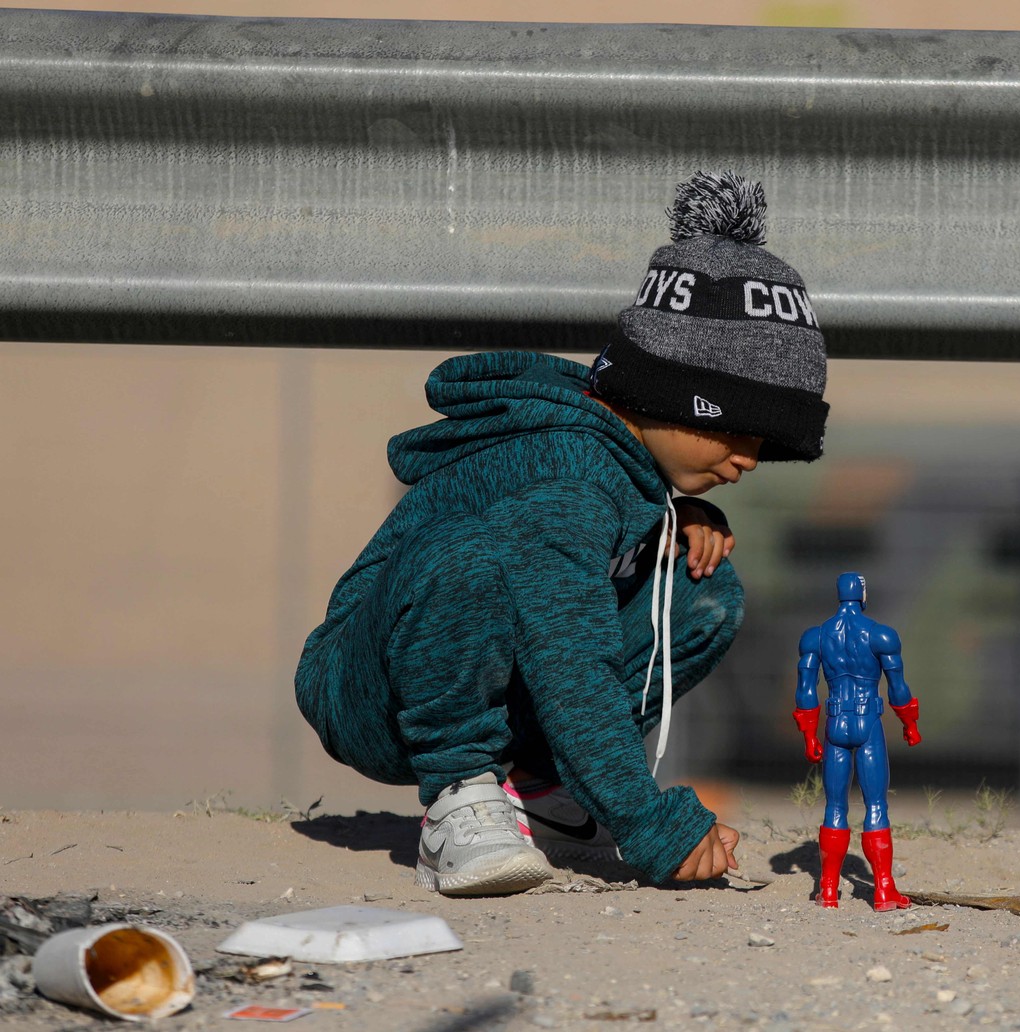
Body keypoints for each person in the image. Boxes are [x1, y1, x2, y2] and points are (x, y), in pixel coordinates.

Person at [294, 172, 829, 896]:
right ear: (671, 394)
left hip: (477, 663)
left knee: (702, 590)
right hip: (371, 691)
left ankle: (541, 789)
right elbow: (570, 662)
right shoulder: (569, 482)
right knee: (474, 557)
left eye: (765, 440)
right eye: (735, 426)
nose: (748, 458)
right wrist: (648, 820)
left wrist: (672, 515)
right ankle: (460, 794)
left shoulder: (616, 464)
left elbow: (583, 605)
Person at [793, 572, 922, 911]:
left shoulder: (816, 637)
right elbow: (899, 689)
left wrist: (808, 735)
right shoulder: (881, 635)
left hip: (835, 722)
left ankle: (829, 889)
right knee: (875, 805)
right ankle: (883, 890)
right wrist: (910, 724)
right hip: (868, 723)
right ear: (863, 595)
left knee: (834, 806)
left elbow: (806, 692)